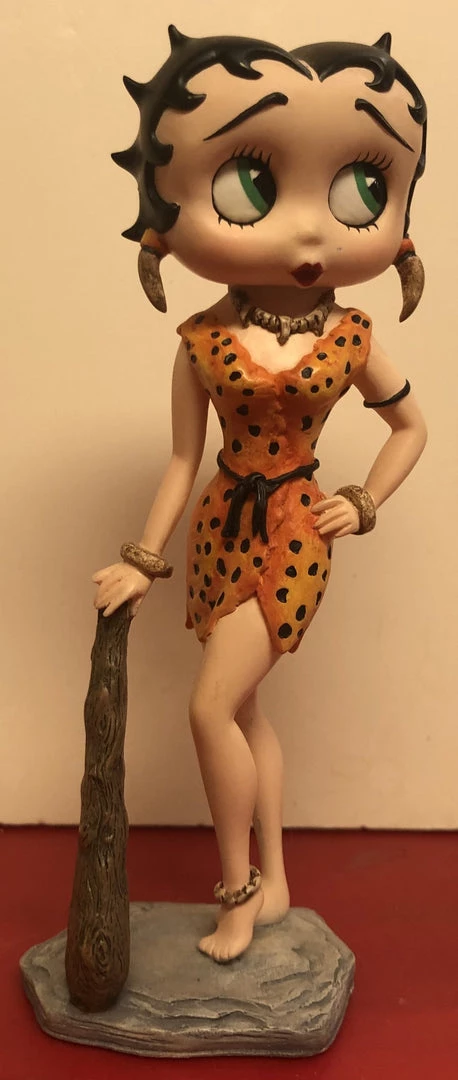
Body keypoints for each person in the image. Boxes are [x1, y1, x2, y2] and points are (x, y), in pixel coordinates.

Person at [93, 27, 427, 963]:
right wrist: (142, 562)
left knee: (208, 709)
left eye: (360, 188)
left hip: (295, 531)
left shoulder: (353, 338)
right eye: (251, 184)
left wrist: (363, 501)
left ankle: (237, 892)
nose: (311, 229)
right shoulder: (201, 341)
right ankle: (276, 879)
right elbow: (181, 460)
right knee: (243, 714)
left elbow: (411, 428)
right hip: (218, 530)